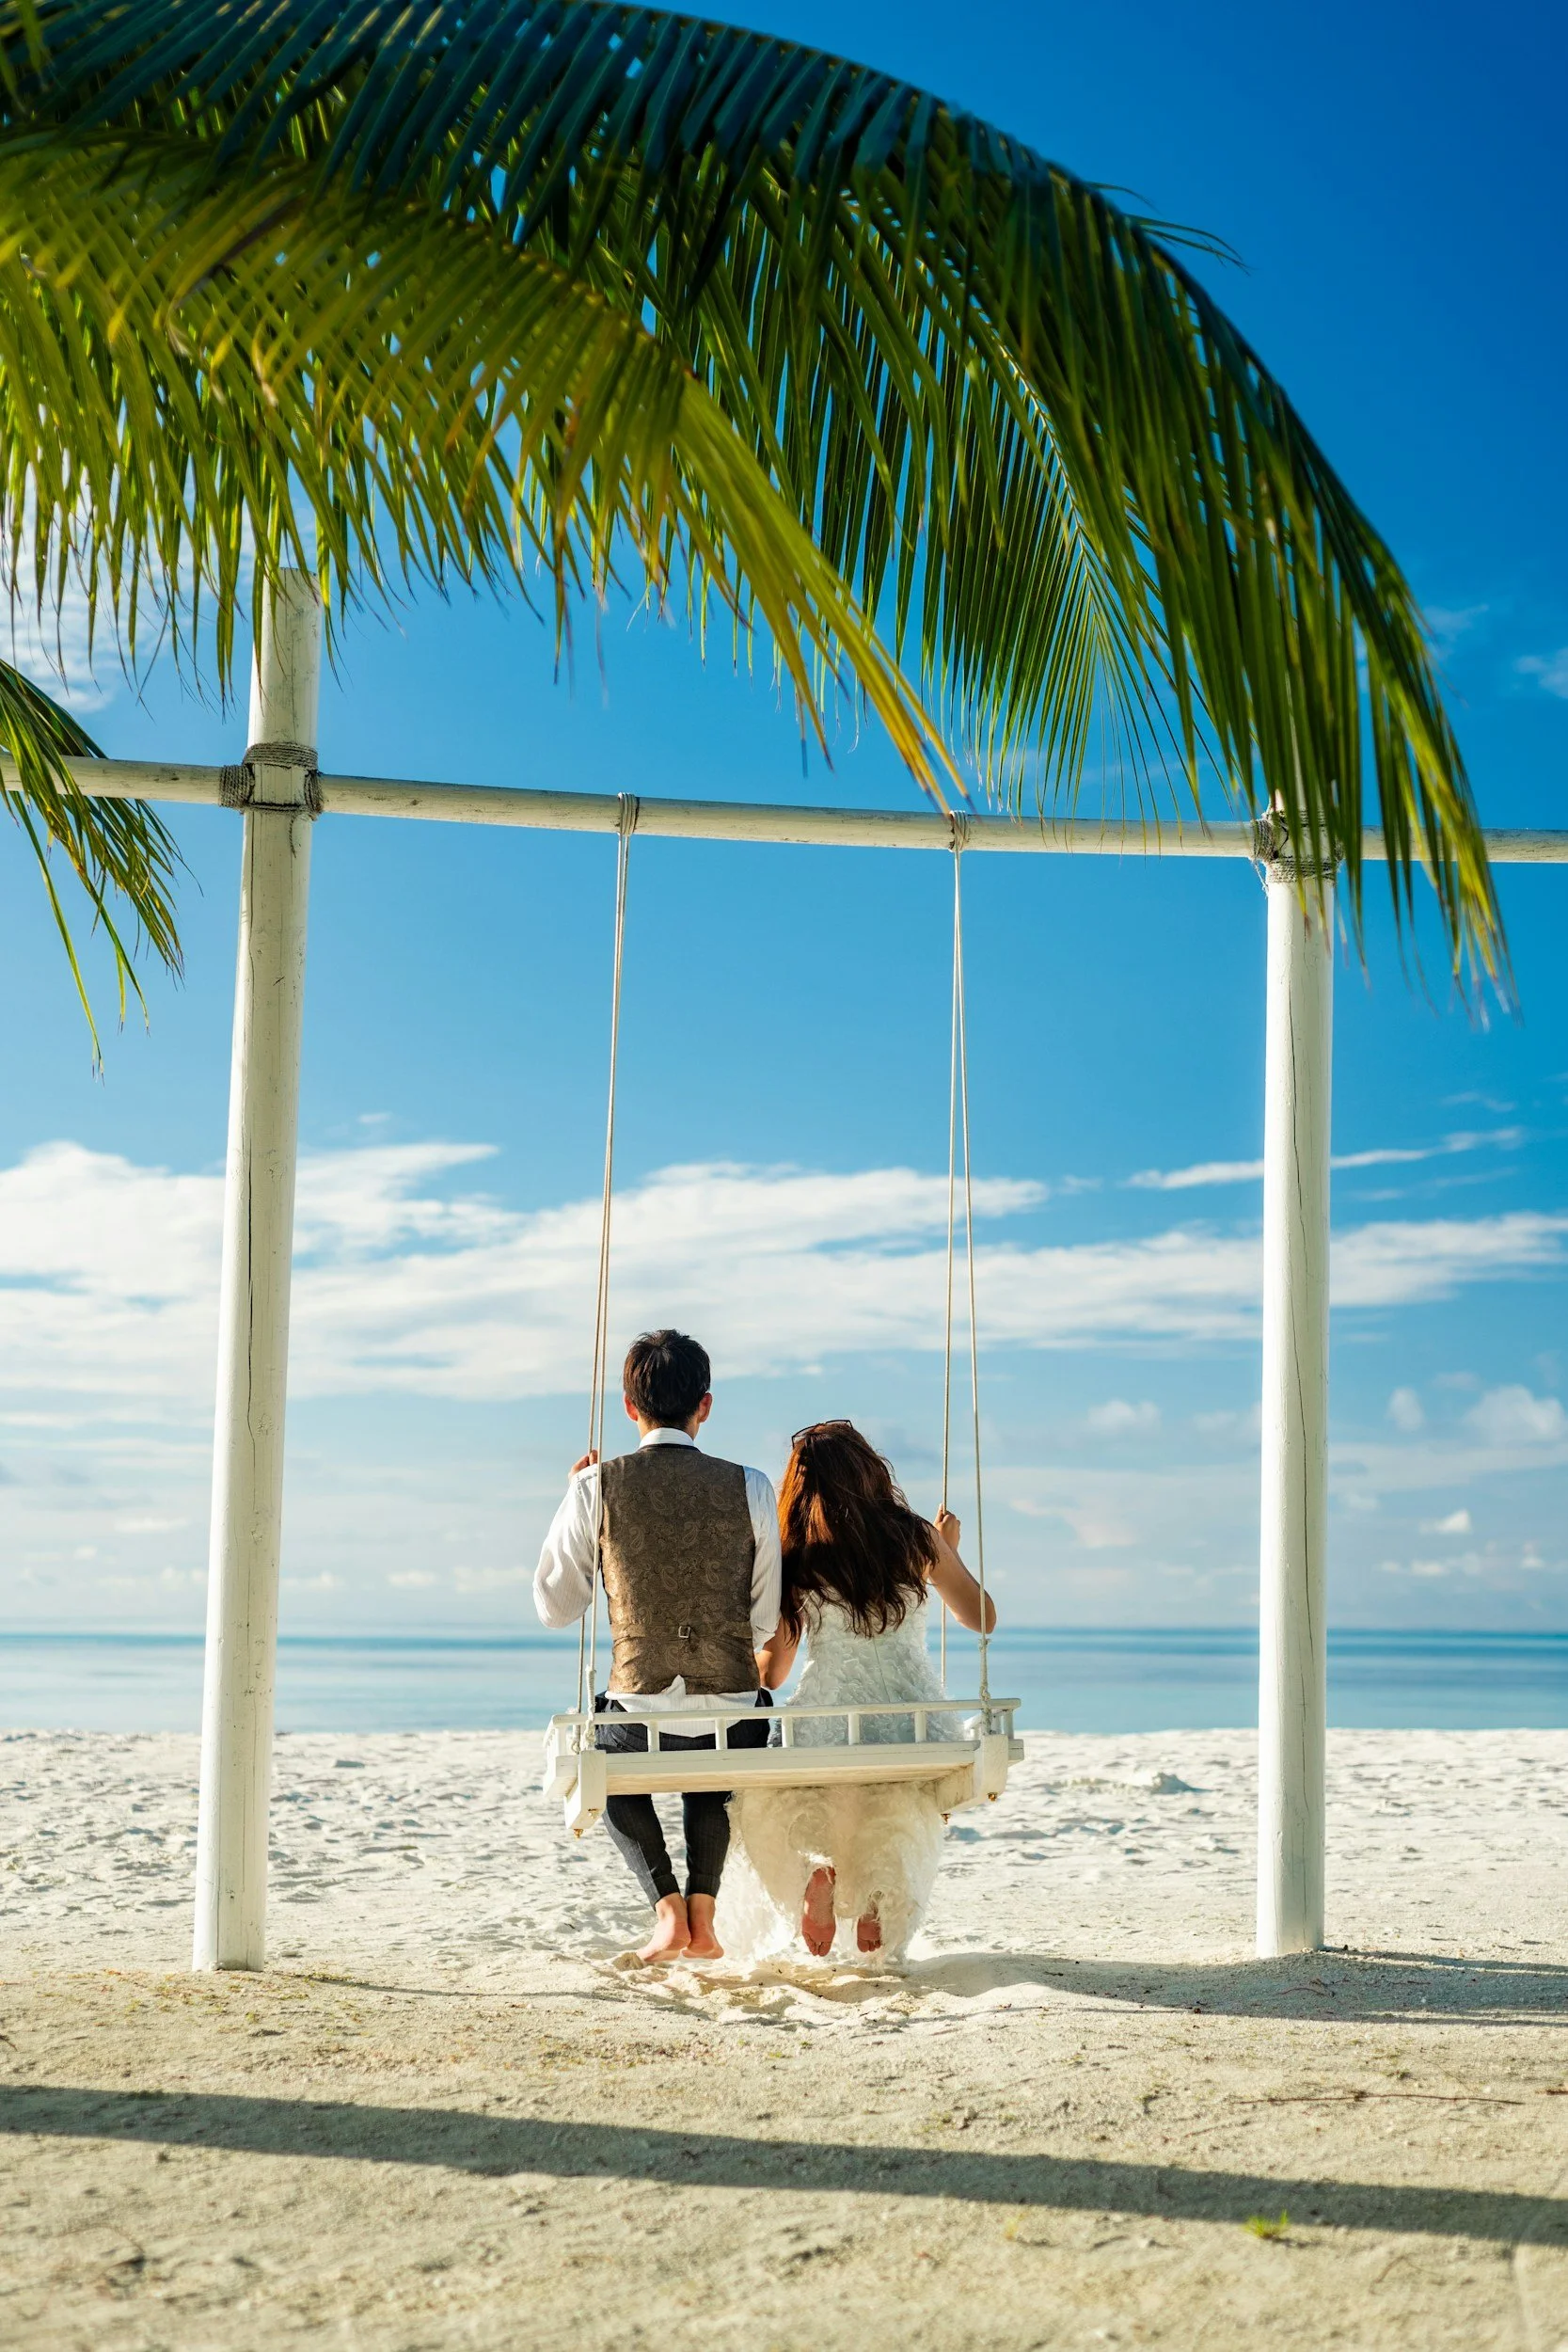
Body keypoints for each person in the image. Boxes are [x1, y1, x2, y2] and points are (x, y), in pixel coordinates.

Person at [533, 1329, 781, 1963]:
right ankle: (703, 1912)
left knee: (604, 1758)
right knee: (719, 1750)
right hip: (735, 1713)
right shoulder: (750, 1485)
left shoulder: (596, 1487)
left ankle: (667, 1910)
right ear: (705, 1405)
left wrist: (574, 1500)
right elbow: (763, 1617)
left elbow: (556, 1608)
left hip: (637, 1716)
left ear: (628, 1407)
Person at [721, 1421, 995, 1963]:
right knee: (905, 1804)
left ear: (800, 1491)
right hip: (915, 1720)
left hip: (827, 1715)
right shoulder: (916, 1537)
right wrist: (947, 1555)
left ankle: (812, 1874)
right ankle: (876, 1899)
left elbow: (774, 1673)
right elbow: (982, 1617)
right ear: (871, 1472)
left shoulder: (797, 1555)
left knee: (766, 1802)